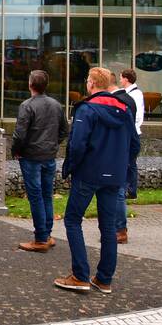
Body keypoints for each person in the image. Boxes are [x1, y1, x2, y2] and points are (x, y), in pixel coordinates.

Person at [55, 67, 139, 294]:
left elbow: (77, 144)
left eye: (87, 80)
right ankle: (104, 279)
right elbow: (135, 145)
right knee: (109, 227)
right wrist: (122, 166)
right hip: (115, 176)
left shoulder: (87, 109)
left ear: (91, 83)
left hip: (89, 173)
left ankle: (80, 275)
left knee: (73, 220)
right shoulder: (124, 109)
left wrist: (70, 168)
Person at [12, 70, 68, 253]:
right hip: (48, 156)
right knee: (46, 195)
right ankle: (47, 234)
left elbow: (20, 134)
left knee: (36, 196)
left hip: (31, 157)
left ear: (30, 85)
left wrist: (16, 151)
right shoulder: (56, 105)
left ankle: (41, 238)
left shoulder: (27, 106)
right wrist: (53, 145)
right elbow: (63, 131)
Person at [116, 68, 144, 245]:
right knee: (130, 163)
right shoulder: (129, 93)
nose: (120, 80)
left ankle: (131, 189)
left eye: (121, 77)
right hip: (132, 131)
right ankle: (129, 188)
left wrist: (132, 130)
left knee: (130, 163)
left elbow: (137, 115)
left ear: (126, 79)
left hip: (132, 132)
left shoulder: (135, 94)